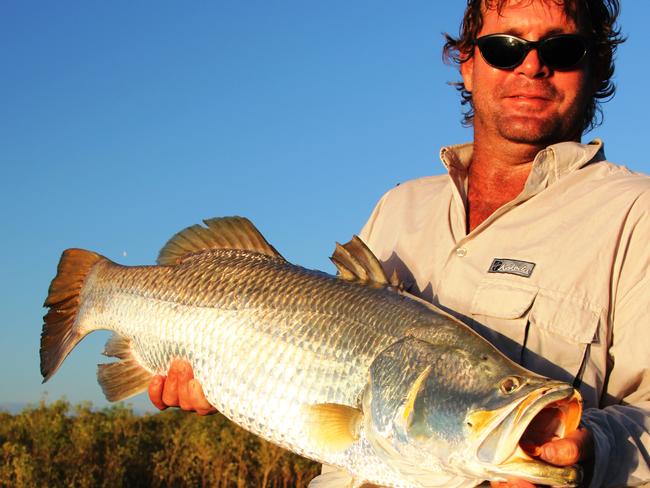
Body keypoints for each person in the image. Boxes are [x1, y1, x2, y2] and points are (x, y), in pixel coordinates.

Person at [149, 1, 650, 486]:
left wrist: (593, 455)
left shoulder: (636, 214)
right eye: (504, 47)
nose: (533, 65)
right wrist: (227, 374)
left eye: (562, 50)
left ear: (596, 65)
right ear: (468, 64)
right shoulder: (400, 205)